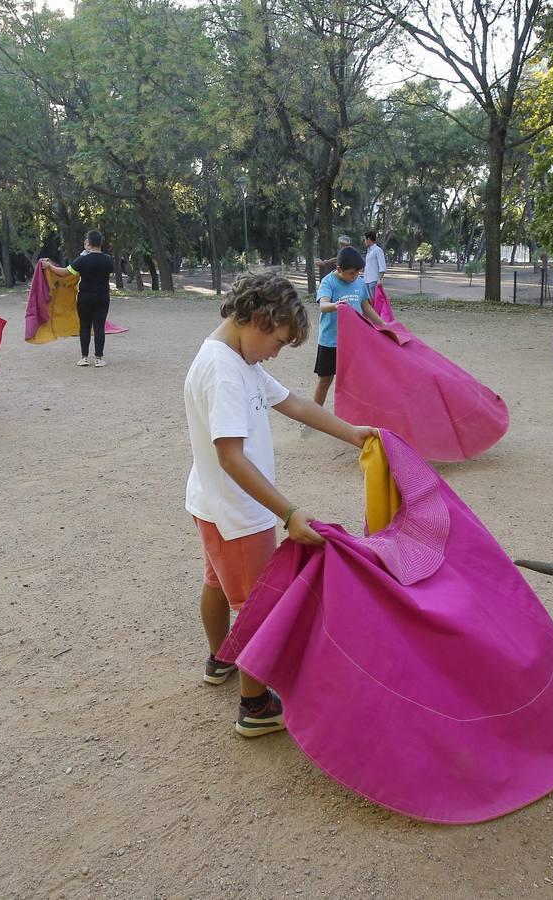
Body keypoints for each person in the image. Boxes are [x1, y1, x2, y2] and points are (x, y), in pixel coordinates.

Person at [184, 270, 376, 736]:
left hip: (211, 503)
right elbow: (230, 456)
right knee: (257, 606)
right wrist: (288, 513)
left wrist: (351, 433)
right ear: (257, 318)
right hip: (241, 511)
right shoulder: (226, 371)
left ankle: (219, 659)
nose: (276, 352)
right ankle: (255, 705)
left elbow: (292, 402)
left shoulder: (235, 358)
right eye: (278, 341)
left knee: (215, 582)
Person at [313, 246, 386, 408]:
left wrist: (383, 325)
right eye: (352, 273)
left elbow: (366, 307)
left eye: (358, 272)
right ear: (339, 269)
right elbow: (323, 305)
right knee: (325, 380)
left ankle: (354, 418)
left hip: (353, 342)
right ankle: (312, 420)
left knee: (355, 381)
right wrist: (336, 305)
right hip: (330, 341)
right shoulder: (328, 282)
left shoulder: (359, 283)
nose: (355, 276)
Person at [42, 231, 116, 367]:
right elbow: (109, 272)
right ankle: (99, 359)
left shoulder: (82, 260)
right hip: (102, 297)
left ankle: (84, 358)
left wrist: (49, 267)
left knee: (85, 327)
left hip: (85, 298)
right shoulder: (108, 260)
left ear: (89, 242)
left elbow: (64, 272)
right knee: (99, 327)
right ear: (100, 243)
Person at [363, 230, 387, 303]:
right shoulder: (369, 251)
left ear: (369, 239)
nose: (364, 241)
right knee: (369, 301)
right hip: (366, 279)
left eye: (365, 239)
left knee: (375, 301)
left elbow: (382, 266)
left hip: (373, 280)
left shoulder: (378, 250)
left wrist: (379, 279)